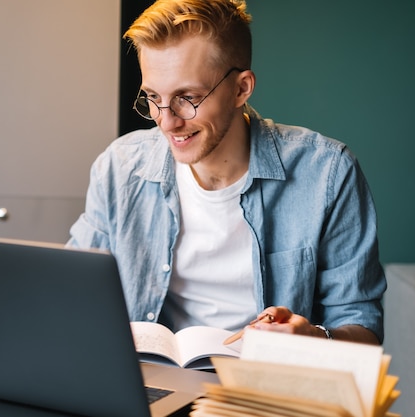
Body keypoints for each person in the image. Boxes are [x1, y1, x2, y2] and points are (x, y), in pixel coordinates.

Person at [67, 0, 386, 345]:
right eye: (152, 97)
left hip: (266, 385)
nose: (167, 121)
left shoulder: (327, 172)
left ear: (241, 89)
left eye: (187, 98)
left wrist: (313, 337)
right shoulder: (119, 167)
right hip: (149, 381)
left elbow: (363, 327)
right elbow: (72, 291)